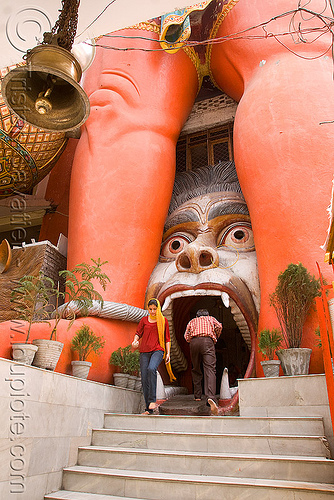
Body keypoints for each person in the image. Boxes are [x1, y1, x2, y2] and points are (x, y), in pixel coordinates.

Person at [132, 298, 174, 414]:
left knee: (151, 369)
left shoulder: (163, 321)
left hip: (158, 350)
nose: (152, 311)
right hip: (144, 351)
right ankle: (148, 409)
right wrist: (135, 341)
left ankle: (152, 401)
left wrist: (168, 353)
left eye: (154, 309)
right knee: (144, 379)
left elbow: (167, 339)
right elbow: (138, 333)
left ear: (158, 308)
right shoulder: (144, 320)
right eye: (150, 309)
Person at [184, 309, 222, 415]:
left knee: (196, 368)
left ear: (197, 315)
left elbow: (186, 335)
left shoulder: (192, 321)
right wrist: (215, 336)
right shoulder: (211, 319)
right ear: (207, 314)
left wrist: (191, 341)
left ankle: (197, 396)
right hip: (207, 341)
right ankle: (211, 397)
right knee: (210, 369)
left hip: (194, 342)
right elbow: (219, 326)